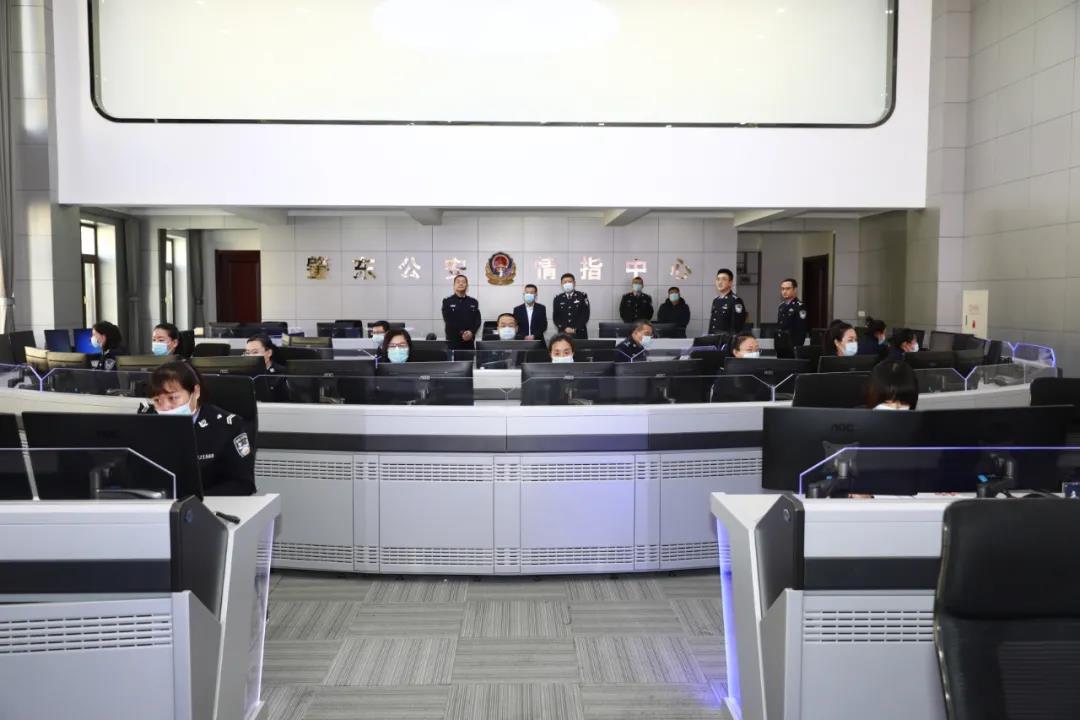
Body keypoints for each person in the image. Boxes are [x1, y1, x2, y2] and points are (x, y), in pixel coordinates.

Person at [146, 362, 256, 495]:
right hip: (157, 503)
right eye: (157, 400)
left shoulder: (228, 427)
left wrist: (195, 501)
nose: (165, 407)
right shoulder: (146, 425)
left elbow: (243, 484)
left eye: (173, 398)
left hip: (210, 503)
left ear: (196, 392)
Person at [441, 275, 481, 350]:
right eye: (458, 282)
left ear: (467, 286)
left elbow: (477, 320)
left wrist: (471, 332)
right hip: (453, 342)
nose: (461, 283)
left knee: (470, 358)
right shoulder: (447, 301)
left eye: (463, 282)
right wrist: (463, 333)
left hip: (469, 341)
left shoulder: (473, 302)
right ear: (454, 286)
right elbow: (448, 320)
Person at [708, 268, 747, 335]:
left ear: (730, 283)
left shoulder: (735, 301)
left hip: (727, 339)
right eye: (718, 279)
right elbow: (713, 324)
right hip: (714, 339)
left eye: (724, 279)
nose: (720, 282)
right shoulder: (716, 300)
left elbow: (737, 326)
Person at [553, 273, 590, 338]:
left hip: (579, 333)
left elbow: (585, 315)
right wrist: (565, 328)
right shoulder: (558, 298)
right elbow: (556, 317)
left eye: (570, 282)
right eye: (565, 282)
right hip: (563, 333)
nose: (567, 284)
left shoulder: (582, 296)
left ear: (574, 283)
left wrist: (576, 328)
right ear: (561, 284)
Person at [776, 279, 807, 348]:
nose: (784, 291)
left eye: (788, 289)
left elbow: (801, 330)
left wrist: (797, 347)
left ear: (795, 290)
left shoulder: (800, 306)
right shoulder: (781, 306)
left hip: (793, 345)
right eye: (782, 289)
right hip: (781, 343)